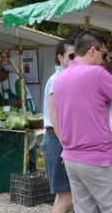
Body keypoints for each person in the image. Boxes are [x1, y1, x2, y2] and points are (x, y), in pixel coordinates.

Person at [53, 30, 112, 213]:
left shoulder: (60, 79)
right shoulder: (97, 74)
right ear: (92, 50)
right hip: (100, 158)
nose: (105, 59)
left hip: (72, 158)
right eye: (104, 54)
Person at [41, 39, 74, 213]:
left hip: (58, 140)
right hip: (58, 139)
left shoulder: (65, 78)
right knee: (67, 198)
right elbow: (55, 116)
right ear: (60, 57)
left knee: (62, 197)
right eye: (71, 56)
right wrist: (67, 145)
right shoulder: (57, 79)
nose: (75, 59)